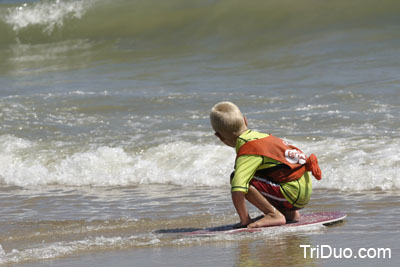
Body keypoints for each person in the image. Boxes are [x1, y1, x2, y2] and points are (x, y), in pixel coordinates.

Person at [210, 101, 322, 228]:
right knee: (261, 172)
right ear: (245, 121)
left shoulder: (248, 148)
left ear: (219, 136)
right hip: (303, 190)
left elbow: (238, 188)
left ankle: (273, 214)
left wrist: (244, 220)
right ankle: (289, 214)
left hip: (292, 195)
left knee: (237, 177)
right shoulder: (263, 137)